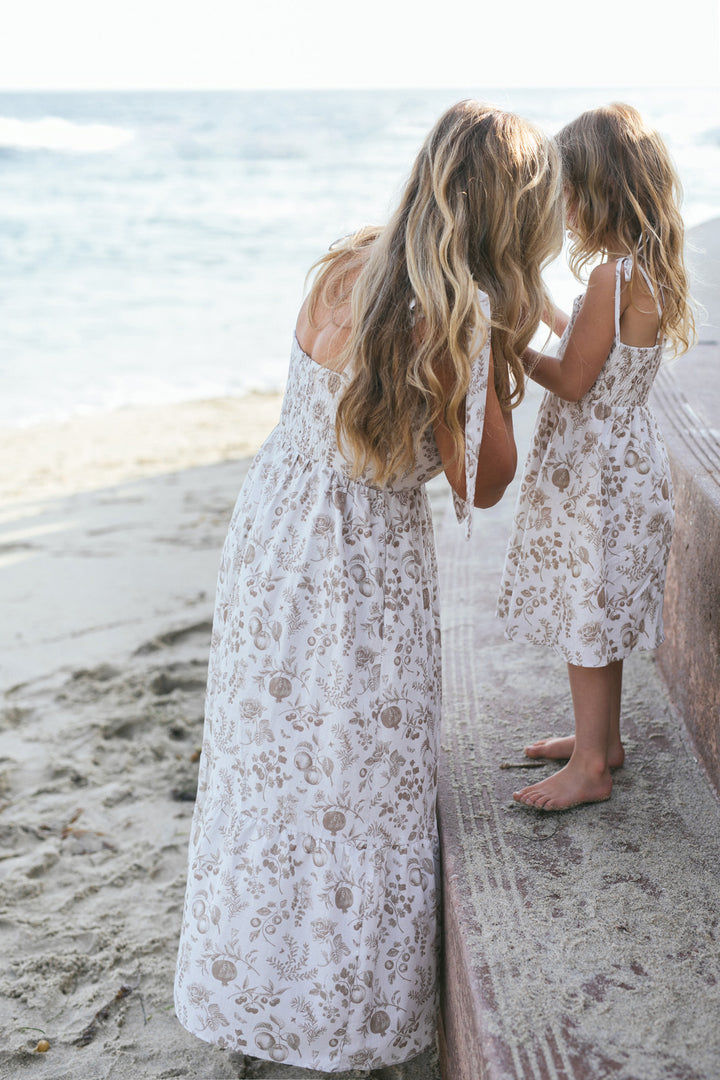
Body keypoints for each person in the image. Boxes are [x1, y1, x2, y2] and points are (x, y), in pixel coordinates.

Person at [174, 99, 563, 1073]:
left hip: (274, 535)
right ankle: (344, 1020)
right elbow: (485, 481)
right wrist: (499, 358)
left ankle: (251, 992)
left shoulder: (348, 260)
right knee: (364, 779)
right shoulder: (454, 325)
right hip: (359, 570)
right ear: (511, 220)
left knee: (271, 770)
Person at [498, 103, 696, 813]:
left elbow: (574, 379)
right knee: (600, 607)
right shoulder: (643, 269)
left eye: (568, 192)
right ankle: (601, 742)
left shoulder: (613, 276)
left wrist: (505, 343)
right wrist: (546, 313)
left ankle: (589, 769)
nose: (564, 209)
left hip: (596, 475)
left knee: (587, 611)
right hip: (623, 464)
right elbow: (595, 345)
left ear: (596, 189)